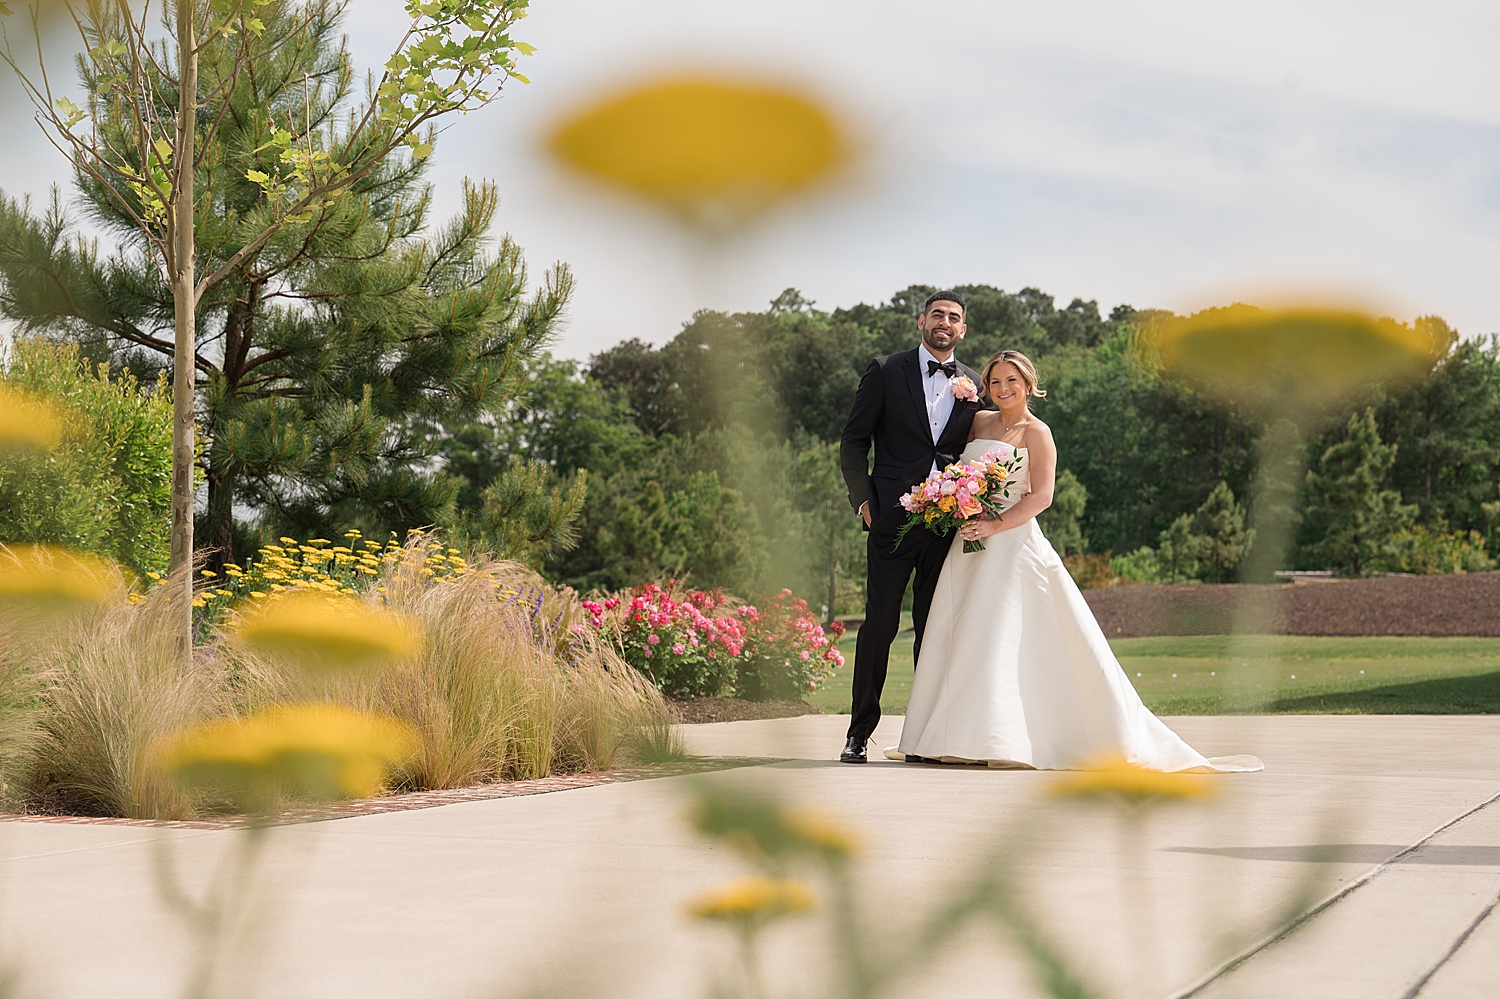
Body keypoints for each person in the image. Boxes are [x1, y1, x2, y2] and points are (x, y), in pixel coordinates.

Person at [887, 350, 1263, 773]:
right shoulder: (978, 423)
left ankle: (1003, 738)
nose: (1003, 389)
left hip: (1010, 546)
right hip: (967, 544)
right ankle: (951, 738)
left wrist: (994, 526)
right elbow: (953, 469)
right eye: (995, 382)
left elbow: (1041, 496)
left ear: (1028, 384)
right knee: (963, 637)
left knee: (998, 637)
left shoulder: (1038, 432)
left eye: (1012, 381)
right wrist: (956, 503)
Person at [836, 290, 987, 764]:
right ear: (921, 321)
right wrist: (863, 500)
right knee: (879, 625)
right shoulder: (885, 370)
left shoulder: (975, 383)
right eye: (938, 314)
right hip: (890, 519)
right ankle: (859, 733)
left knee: (933, 628)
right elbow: (854, 441)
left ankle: (924, 738)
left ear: (963, 330)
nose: (945, 322)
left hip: (946, 526)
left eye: (954, 317)